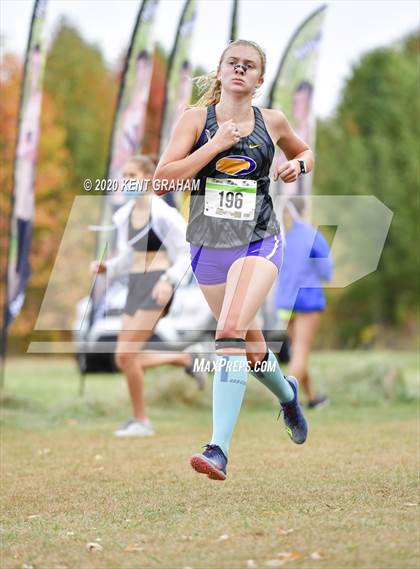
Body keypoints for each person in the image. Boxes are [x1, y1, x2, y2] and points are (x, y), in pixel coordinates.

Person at [154, 39, 314, 480]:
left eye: (249, 67)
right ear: (220, 72)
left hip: (259, 240)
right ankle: (288, 396)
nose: (240, 71)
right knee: (252, 348)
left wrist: (297, 167)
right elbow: (162, 179)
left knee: (227, 332)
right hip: (208, 244)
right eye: (233, 64)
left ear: (260, 80)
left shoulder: (274, 121)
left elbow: (304, 152)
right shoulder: (195, 120)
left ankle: (217, 449)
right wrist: (215, 145)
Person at [91, 155, 206, 437]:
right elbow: (129, 256)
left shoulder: (163, 213)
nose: (126, 181)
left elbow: (187, 252)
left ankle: (141, 420)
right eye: (124, 175)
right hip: (134, 284)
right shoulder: (123, 216)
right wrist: (108, 268)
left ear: (148, 178)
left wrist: (168, 281)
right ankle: (184, 359)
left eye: (132, 175)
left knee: (124, 355)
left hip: (158, 284)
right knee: (123, 359)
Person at [275, 197, 333, 409]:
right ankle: (286, 401)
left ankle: (313, 398)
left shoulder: (281, 236)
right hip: (307, 300)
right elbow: (327, 271)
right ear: (305, 211)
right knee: (300, 353)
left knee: (298, 352)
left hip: (284, 303)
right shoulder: (311, 236)